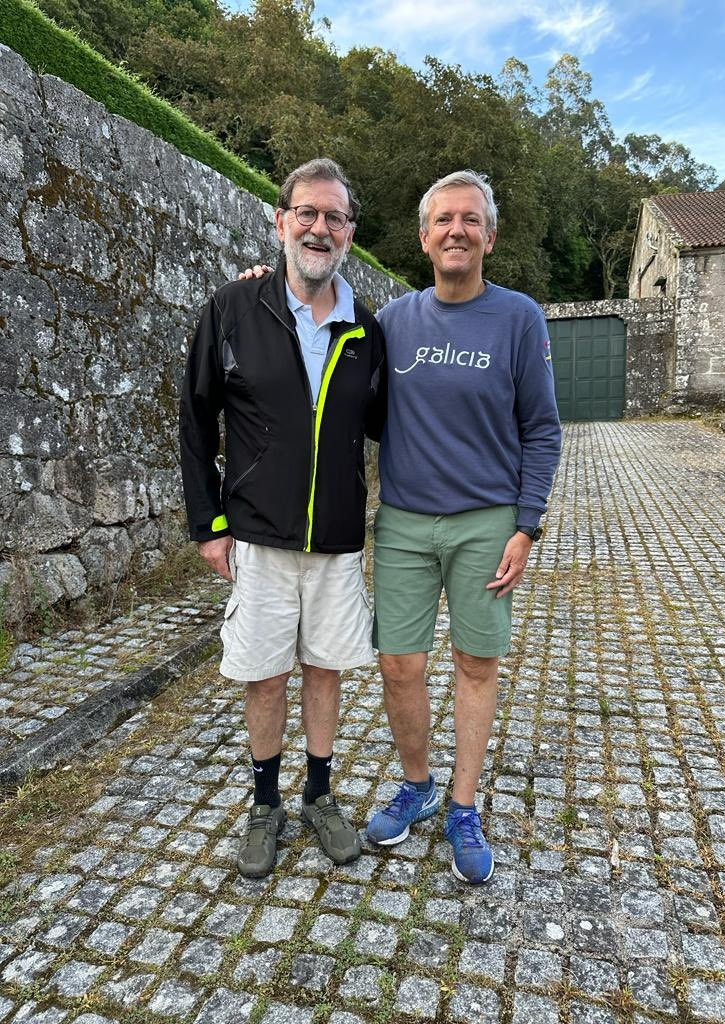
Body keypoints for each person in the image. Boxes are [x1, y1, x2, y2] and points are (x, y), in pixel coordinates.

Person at [179, 158, 386, 879]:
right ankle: (265, 804)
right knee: (265, 677)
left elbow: (390, 425)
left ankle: (319, 796)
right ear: (281, 222)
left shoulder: (368, 330)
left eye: (334, 217)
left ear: (350, 235)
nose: (319, 228)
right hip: (259, 540)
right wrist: (207, 523)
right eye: (307, 213)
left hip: (334, 543)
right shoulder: (232, 310)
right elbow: (195, 421)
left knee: (325, 671)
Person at [364, 170, 562, 884]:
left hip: (487, 523)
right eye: (443, 219)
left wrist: (526, 525)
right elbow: (319, 351)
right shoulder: (391, 324)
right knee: (398, 664)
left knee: (476, 664)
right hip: (406, 524)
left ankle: (463, 805)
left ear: (490, 236)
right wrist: (265, 286)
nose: (456, 230)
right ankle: (417, 786)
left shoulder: (518, 319)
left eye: (470, 220)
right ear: (423, 236)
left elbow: (542, 429)